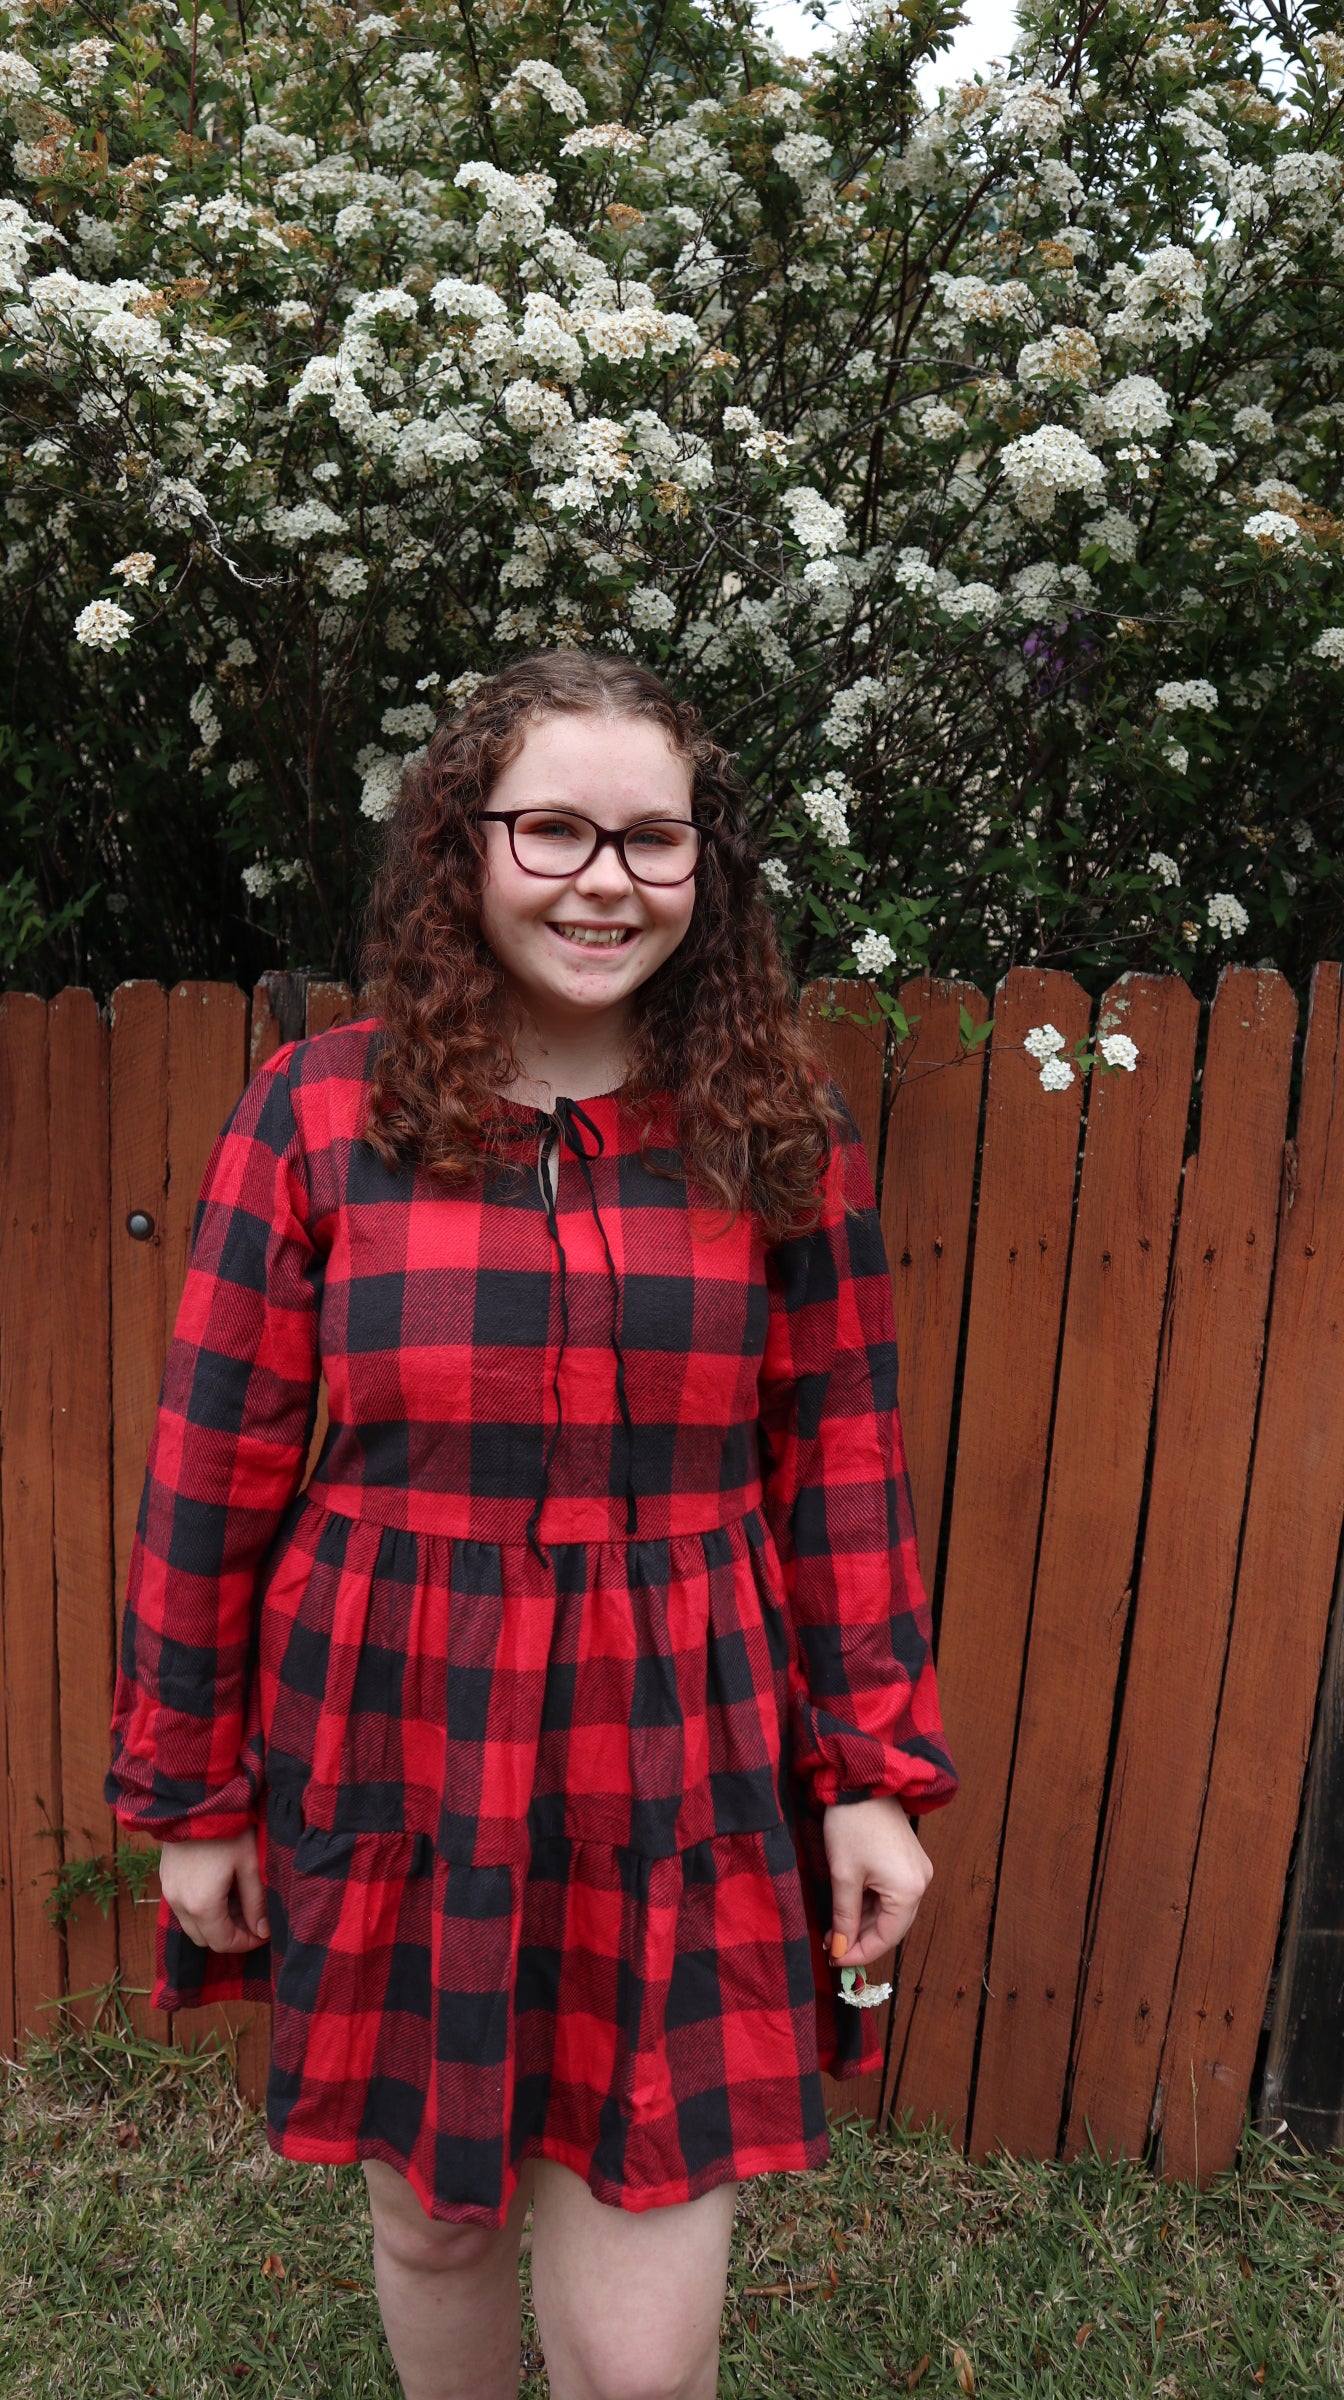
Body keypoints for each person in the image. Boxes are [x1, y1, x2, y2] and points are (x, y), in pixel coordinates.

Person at [106, 650, 957, 2400]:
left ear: (704, 870)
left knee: (643, 2362)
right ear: (464, 847)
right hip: (398, 1722)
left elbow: (842, 1459)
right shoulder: (322, 1112)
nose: (604, 879)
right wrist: (192, 1799)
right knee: (433, 2224)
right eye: (553, 827)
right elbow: (213, 1471)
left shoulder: (774, 1127)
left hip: (685, 1741)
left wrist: (867, 1768)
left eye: (653, 841)